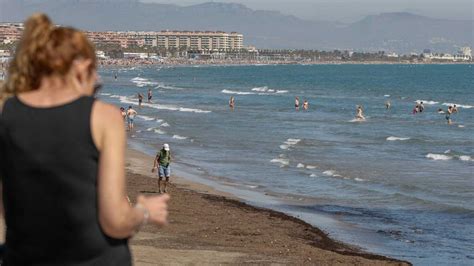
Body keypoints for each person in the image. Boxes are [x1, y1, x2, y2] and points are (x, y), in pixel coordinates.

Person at [0, 13, 168, 265]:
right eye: (93, 70)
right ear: (78, 66)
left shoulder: (5, 112)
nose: (97, 79)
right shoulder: (103, 117)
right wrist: (144, 211)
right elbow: (115, 223)